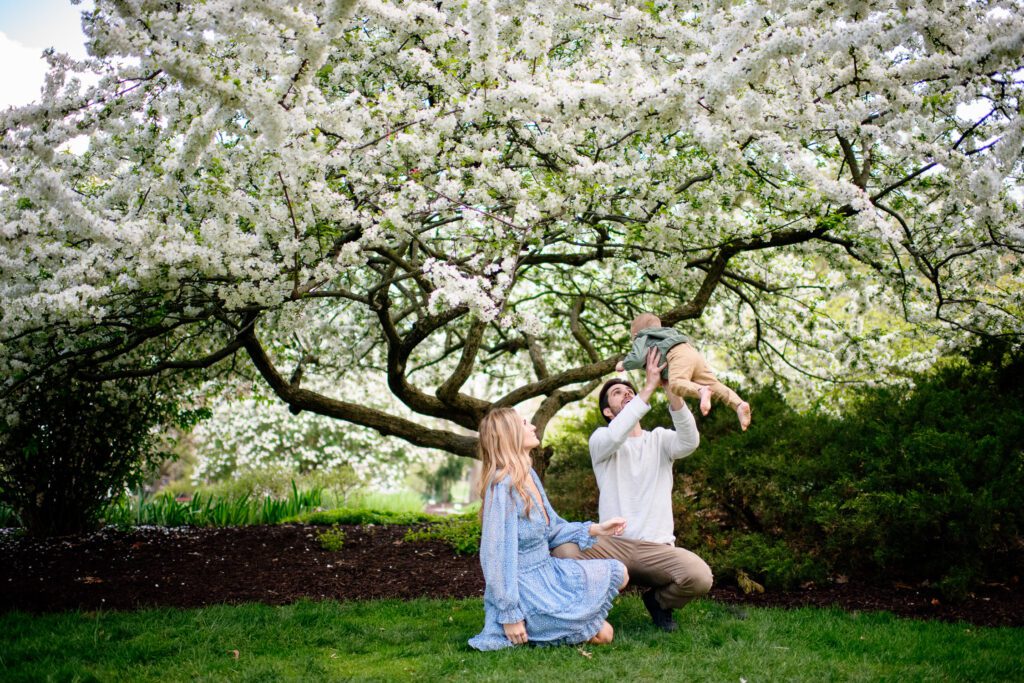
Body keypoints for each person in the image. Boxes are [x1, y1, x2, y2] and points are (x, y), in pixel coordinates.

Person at [552, 348, 714, 632]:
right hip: (612, 544)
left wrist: (670, 390)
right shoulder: (602, 440)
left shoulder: (660, 440)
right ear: (606, 410)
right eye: (617, 392)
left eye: (630, 390)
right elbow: (617, 434)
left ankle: (659, 602)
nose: (626, 393)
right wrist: (648, 388)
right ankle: (583, 609)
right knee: (563, 552)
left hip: (656, 547)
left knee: (700, 577)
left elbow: (690, 442)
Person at [468, 407, 631, 651]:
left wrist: (597, 529)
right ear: (509, 434)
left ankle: (564, 619)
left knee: (620, 572)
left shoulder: (528, 475)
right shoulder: (501, 486)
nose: (533, 427)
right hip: (523, 587)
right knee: (604, 635)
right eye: (525, 423)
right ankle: (527, 627)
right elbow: (494, 557)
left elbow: (551, 529)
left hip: (548, 572)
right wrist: (509, 614)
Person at [616, 312, 751, 431]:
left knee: (677, 384)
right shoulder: (668, 332)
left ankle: (701, 391)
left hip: (676, 355)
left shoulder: (641, 337)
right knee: (714, 384)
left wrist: (624, 364)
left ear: (635, 334)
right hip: (691, 353)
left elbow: (638, 358)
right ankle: (738, 404)